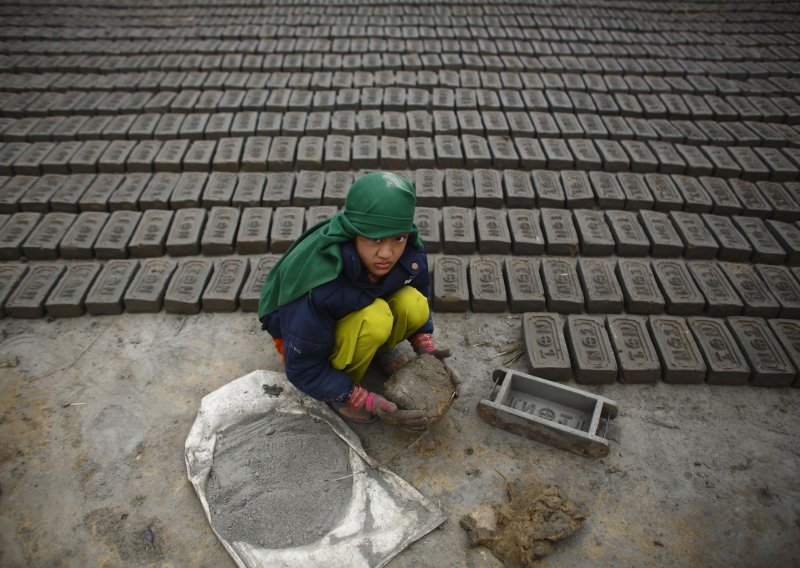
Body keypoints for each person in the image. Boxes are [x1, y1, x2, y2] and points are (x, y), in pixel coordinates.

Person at [258, 171, 458, 429]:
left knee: (414, 303)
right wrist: (361, 397)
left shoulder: (409, 250)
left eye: (398, 238)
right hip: (298, 340)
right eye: (374, 239)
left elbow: (420, 291)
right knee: (375, 319)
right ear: (353, 232)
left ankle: (376, 353)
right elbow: (302, 368)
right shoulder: (319, 281)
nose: (387, 253)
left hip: (354, 309)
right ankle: (340, 392)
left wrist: (426, 349)